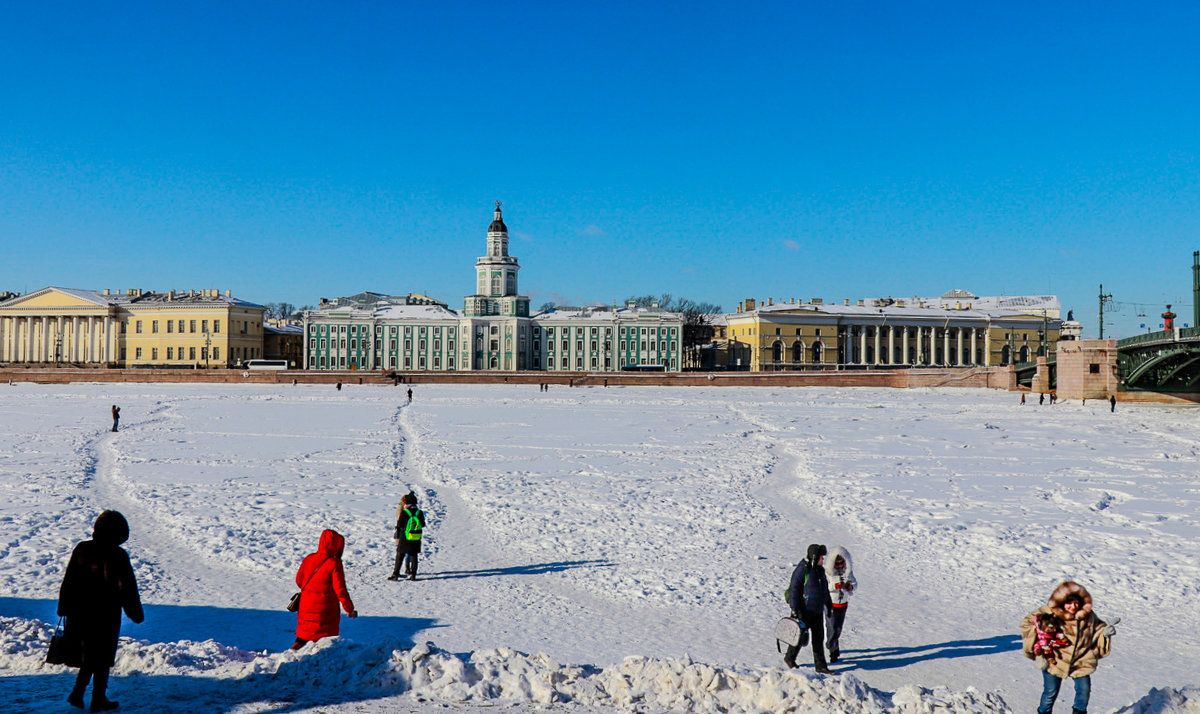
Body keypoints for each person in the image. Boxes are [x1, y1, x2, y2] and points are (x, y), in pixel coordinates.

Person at [57, 510, 144, 712]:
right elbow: (127, 588)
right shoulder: (118, 555)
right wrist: (135, 613)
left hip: (80, 613)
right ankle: (94, 698)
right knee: (101, 657)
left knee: (91, 656)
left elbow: (69, 580)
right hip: (106, 615)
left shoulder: (82, 549)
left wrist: (64, 606)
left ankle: (80, 694)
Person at [1021, 581, 1116, 714]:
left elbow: (1098, 628)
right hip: (1054, 660)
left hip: (1081, 660)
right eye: (1069, 603)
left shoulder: (1088, 615)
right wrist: (1040, 633)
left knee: (1084, 690)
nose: (1073, 606)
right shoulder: (1050, 611)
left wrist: (1105, 633)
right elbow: (1027, 623)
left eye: (1076, 603)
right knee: (1050, 692)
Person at [292, 529, 357, 649]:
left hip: (306, 606)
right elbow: (340, 589)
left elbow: (299, 581)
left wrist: (310, 592)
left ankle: (290, 657)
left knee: (302, 638)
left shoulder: (309, 558)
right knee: (324, 644)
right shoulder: (334, 563)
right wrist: (349, 609)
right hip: (325, 612)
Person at [785, 544, 833, 674]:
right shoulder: (802, 570)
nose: (823, 560)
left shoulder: (820, 570)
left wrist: (828, 603)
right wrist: (795, 609)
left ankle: (821, 666)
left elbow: (824, 590)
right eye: (821, 557)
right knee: (799, 637)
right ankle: (790, 658)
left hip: (817, 611)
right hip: (803, 611)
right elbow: (794, 590)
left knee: (818, 639)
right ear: (814, 557)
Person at [823, 546, 857, 663]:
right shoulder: (828, 573)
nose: (839, 566)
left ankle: (832, 644)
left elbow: (854, 582)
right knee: (832, 627)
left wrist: (850, 586)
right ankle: (833, 650)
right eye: (836, 564)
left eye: (841, 563)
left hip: (843, 604)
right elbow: (825, 587)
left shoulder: (848, 572)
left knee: (838, 628)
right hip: (830, 604)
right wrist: (836, 586)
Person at [389, 492, 426, 581]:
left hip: (405, 537)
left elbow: (400, 524)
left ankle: (396, 574)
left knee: (400, 555)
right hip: (416, 538)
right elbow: (423, 524)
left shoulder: (405, 512)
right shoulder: (419, 512)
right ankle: (413, 575)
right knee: (414, 556)